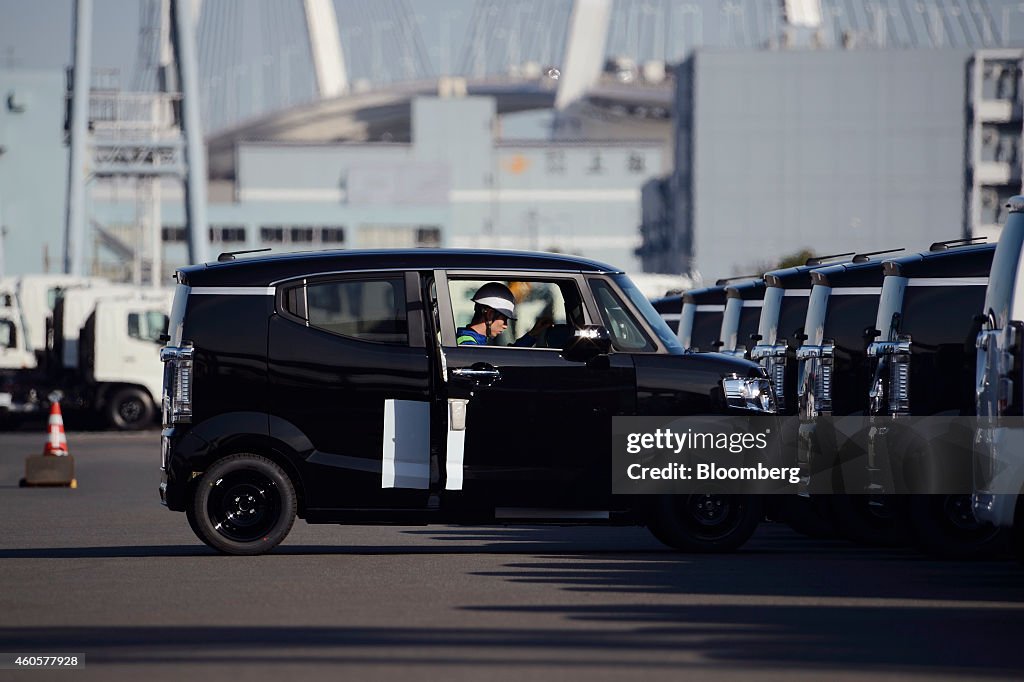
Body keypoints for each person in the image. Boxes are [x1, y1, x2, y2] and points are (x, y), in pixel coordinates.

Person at [456, 282, 553, 346]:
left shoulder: (475, 341)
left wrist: (532, 334)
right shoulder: (467, 344)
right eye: (504, 319)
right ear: (489, 314)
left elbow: (508, 355)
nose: (505, 326)